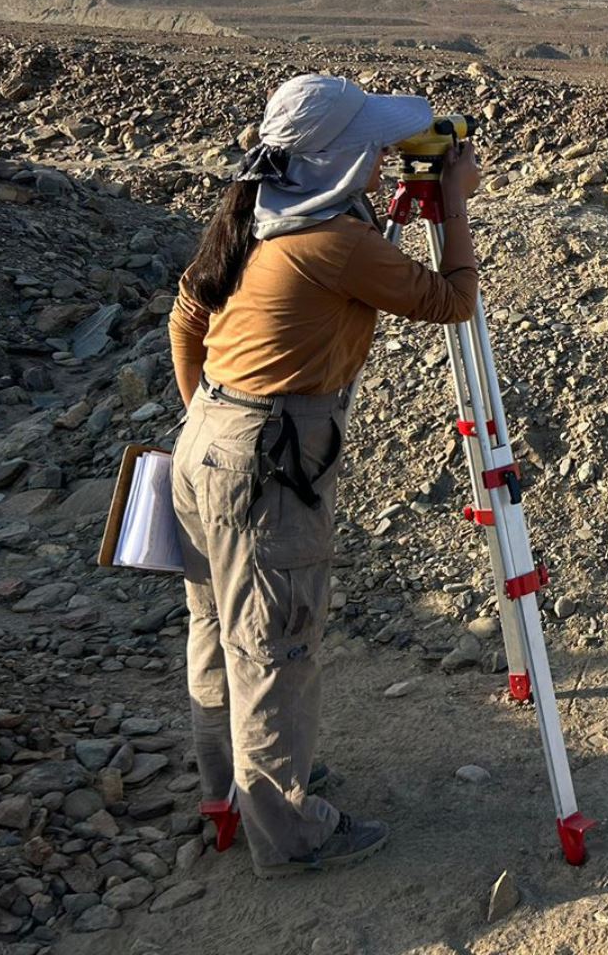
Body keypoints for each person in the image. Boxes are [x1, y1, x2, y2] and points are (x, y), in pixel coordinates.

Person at [167, 74, 481, 878]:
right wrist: (456, 207)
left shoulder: (260, 215)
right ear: (341, 159)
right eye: (372, 146)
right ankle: (291, 834)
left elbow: (186, 316)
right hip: (265, 462)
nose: (385, 158)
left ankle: (235, 791)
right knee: (277, 644)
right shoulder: (336, 244)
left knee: (221, 630)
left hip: (209, 439)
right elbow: (451, 302)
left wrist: (214, 414)